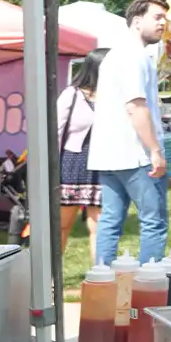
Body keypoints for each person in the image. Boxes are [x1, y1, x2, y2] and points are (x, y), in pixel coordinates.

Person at [87, 0, 169, 265]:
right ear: (136, 21)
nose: (163, 23)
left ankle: (103, 284)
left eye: (164, 18)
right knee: (154, 221)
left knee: (110, 220)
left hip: (108, 154)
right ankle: (149, 289)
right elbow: (135, 106)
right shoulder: (133, 56)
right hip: (135, 155)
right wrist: (155, 150)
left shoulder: (114, 55)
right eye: (157, 17)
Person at [56, 48, 108, 264]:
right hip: (72, 165)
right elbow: (56, 131)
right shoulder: (72, 94)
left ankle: (101, 278)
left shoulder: (113, 97)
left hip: (102, 165)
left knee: (100, 226)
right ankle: (49, 281)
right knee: (62, 225)